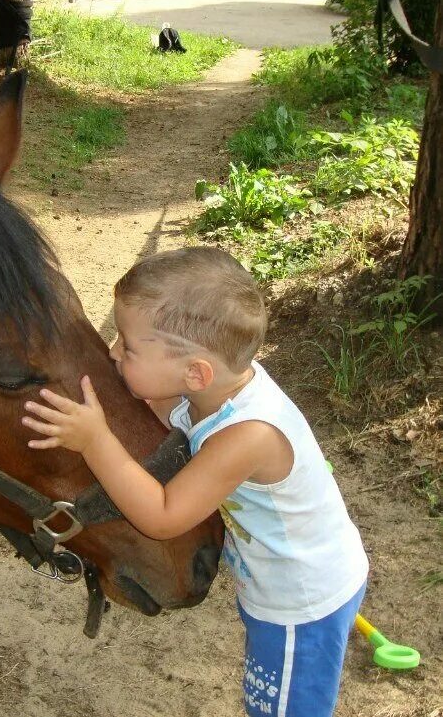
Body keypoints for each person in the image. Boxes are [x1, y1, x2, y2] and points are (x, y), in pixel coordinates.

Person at [21, 246, 368, 717]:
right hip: (280, 582)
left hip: (300, 606)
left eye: (127, 345)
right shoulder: (213, 390)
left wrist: (94, 440)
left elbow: (163, 515)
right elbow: (159, 409)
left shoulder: (247, 436)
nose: (113, 351)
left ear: (194, 372)